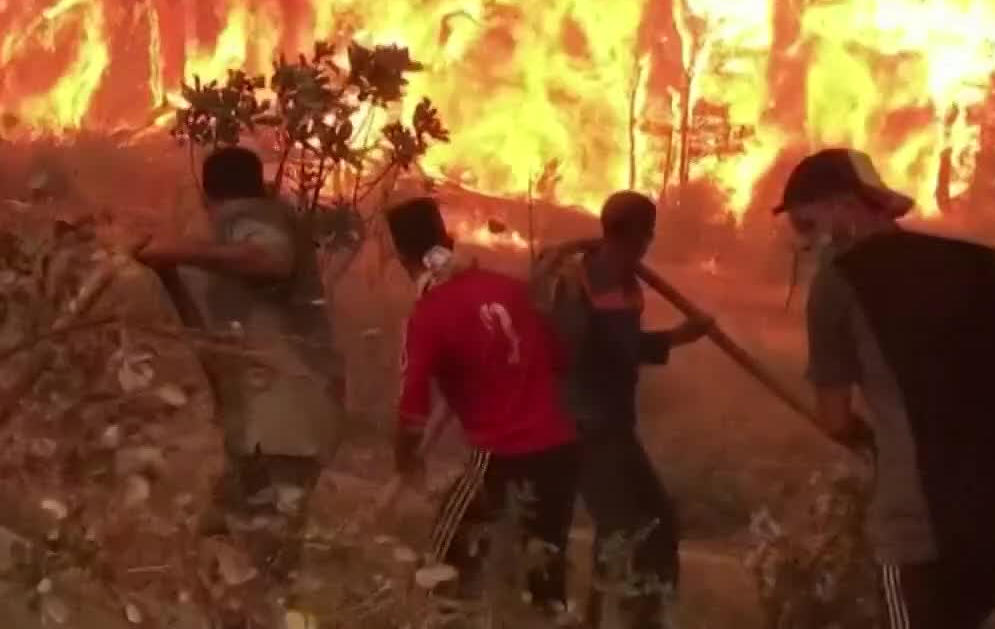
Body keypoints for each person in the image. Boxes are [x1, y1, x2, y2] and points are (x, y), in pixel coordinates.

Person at [778, 147, 995, 629]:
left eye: (808, 227)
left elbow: (833, 418)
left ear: (847, 208)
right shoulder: (988, 263)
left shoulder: (837, 285)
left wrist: (871, 442)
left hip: (921, 538)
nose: (807, 247)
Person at [133, 146, 346, 615]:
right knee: (219, 544)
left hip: (287, 423)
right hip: (262, 427)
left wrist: (178, 249)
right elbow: (212, 340)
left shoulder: (249, 218)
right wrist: (168, 272)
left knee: (265, 567)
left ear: (208, 196)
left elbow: (271, 259)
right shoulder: (237, 236)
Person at [387, 197, 583, 614]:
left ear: (402, 257)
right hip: (562, 452)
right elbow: (559, 360)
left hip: (501, 457)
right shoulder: (509, 289)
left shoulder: (428, 314)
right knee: (544, 571)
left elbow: (411, 411)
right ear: (451, 240)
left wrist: (406, 465)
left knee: (443, 564)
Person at [541, 191, 711, 629]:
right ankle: (614, 618)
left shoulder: (607, 272)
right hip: (587, 427)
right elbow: (622, 347)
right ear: (636, 234)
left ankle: (643, 613)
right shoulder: (598, 278)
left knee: (654, 519)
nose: (651, 240)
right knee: (622, 528)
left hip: (609, 424)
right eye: (648, 231)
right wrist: (681, 335)